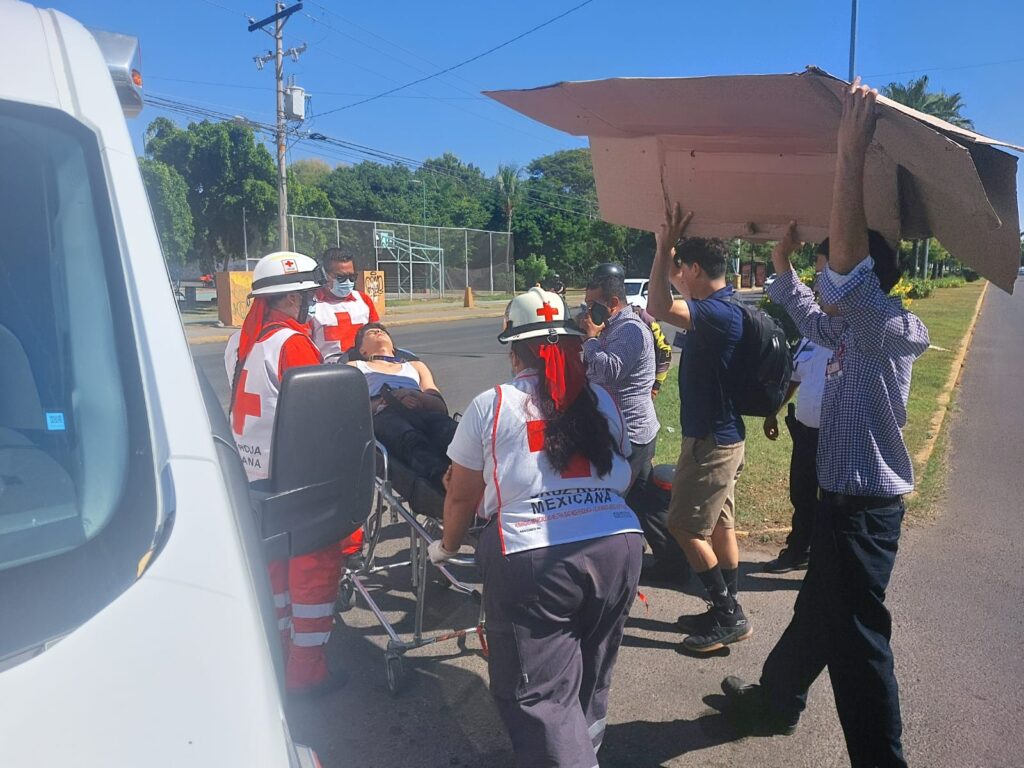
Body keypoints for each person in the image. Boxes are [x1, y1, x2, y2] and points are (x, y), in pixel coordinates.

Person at [719, 81, 930, 768]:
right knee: (819, 613)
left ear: (867, 279)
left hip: (865, 511)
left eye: (833, 263)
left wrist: (849, 155)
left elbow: (840, 280)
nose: (823, 269)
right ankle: (776, 702)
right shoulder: (845, 330)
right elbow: (810, 309)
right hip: (841, 507)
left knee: (858, 641)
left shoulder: (876, 325)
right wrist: (781, 265)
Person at [429, 287, 643, 767]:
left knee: (538, 697)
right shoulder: (602, 399)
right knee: (592, 672)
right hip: (618, 547)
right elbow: (620, 472)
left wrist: (445, 548)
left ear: (514, 350)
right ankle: (587, 749)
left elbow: (461, 494)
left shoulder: (493, 404)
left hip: (534, 562)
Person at [224, 250, 349, 697]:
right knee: (314, 572)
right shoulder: (293, 343)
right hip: (294, 477)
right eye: (307, 294)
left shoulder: (247, 345)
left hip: (256, 477)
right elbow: (321, 418)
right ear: (292, 299)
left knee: (275, 571)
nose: (311, 301)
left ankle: (279, 651)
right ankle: (307, 671)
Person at [646, 225, 750, 653]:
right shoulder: (721, 304)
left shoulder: (716, 313)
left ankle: (728, 616)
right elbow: (669, 283)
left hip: (711, 442)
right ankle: (724, 605)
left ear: (693, 269)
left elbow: (656, 304)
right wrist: (665, 247)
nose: (677, 275)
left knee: (683, 526)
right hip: (721, 437)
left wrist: (660, 251)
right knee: (721, 524)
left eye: (681, 270)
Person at [762, 250, 833, 574]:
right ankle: (800, 550)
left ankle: (828, 561)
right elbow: (794, 376)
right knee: (802, 495)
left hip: (838, 435)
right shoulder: (813, 331)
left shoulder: (851, 331)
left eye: (824, 276)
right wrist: (772, 411)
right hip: (806, 429)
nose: (818, 285)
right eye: (817, 278)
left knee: (834, 502)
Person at [579, 263, 660, 491]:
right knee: (641, 501)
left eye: (592, 304)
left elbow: (610, 371)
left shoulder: (630, 329)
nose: (588, 311)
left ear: (613, 303)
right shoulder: (610, 326)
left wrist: (590, 340)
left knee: (618, 497)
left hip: (631, 434)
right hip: (618, 429)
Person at [348, 322, 456, 486]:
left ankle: (479, 470)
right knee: (410, 439)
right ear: (362, 350)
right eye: (371, 332)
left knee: (451, 431)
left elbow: (440, 406)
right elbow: (350, 409)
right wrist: (386, 401)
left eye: (383, 331)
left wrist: (413, 395)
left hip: (421, 409)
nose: (379, 331)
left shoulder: (415, 366)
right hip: (383, 414)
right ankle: (443, 479)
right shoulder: (355, 367)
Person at [310, 248, 379, 360]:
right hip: (327, 371)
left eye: (352, 277)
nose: (348, 282)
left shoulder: (363, 299)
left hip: (363, 368)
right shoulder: (310, 305)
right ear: (325, 275)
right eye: (341, 278)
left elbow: (377, 337)